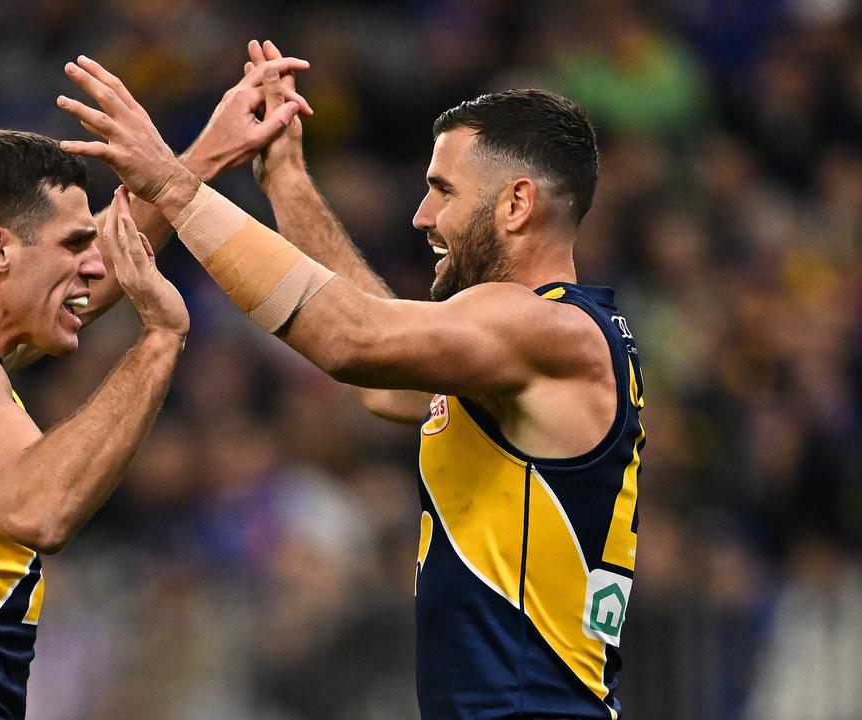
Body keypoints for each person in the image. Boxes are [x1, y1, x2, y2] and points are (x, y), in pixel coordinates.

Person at [57, 42, 646, 720]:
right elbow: (382, 378)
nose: (423, 218)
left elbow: (351, 339)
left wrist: (176, 190)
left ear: (517, 204)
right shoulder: (532, 349)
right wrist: (288, 183)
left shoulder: (545, 330)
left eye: (443, 192)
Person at [0, 56, 312, 720]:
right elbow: (39, 507)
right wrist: (158, 339)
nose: (95, 264)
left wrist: (201, 158)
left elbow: (89, 275)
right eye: (73, 244)